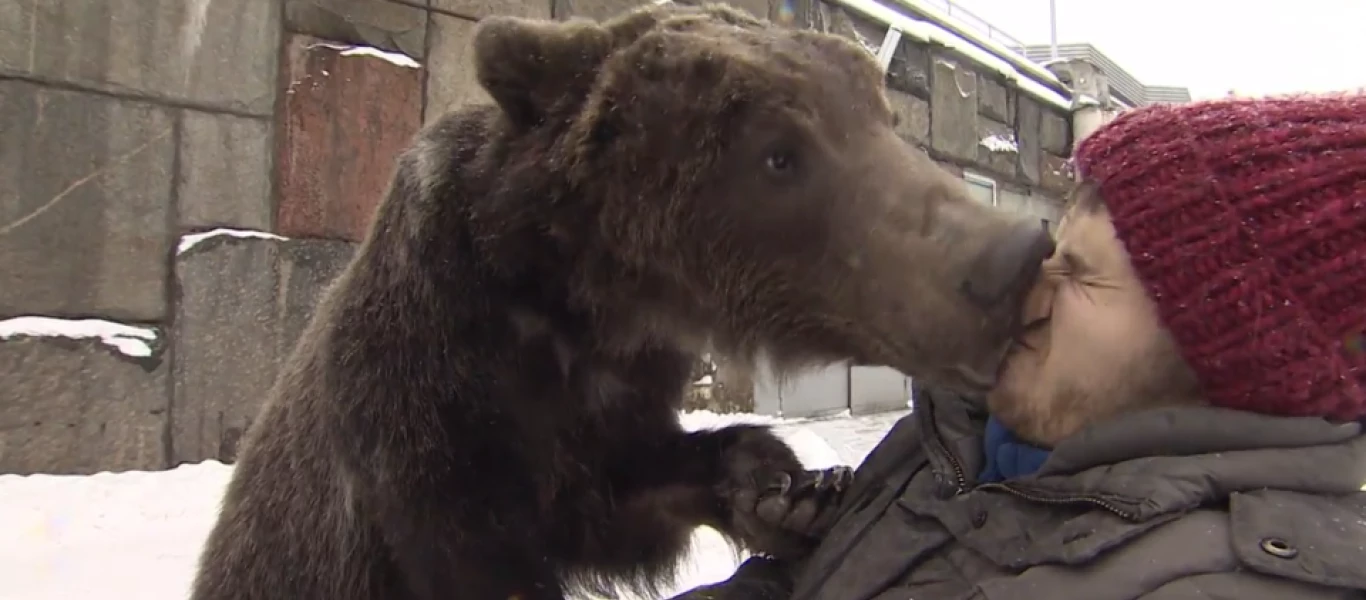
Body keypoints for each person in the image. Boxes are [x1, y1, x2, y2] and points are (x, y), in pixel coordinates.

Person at [676, 93, 1366, 600]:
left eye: (1081, 273)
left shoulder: (1219, 581)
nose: (1027, 295)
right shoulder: (967, 429)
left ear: (1231, 346)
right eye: (1053, 250)